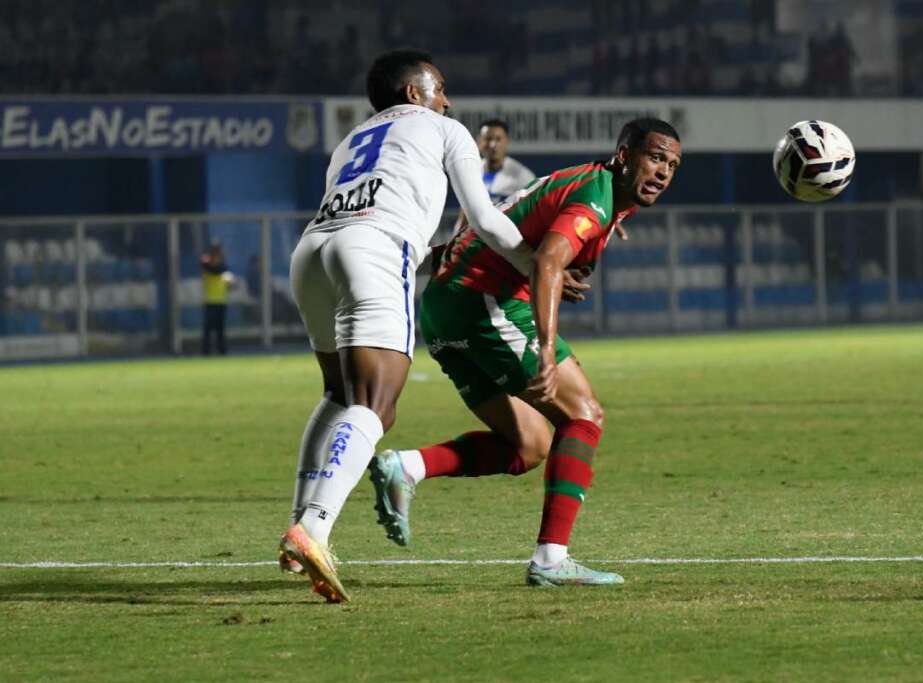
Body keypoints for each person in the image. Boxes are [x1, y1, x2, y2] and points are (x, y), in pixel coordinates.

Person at [368, 118, 681, 586]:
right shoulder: (594, 194)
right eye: (655, 157)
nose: (663, 172)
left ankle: (407, 467)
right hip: (482, 304)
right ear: (624, 155)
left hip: (444, 307)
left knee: (530, 444)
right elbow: (549, 261)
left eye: (673, 165)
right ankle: (552, 560)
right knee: (584, 414)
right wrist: (548, 351)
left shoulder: (601, 192)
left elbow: (516, 233)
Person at [278, 49, 531, 603]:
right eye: (440, 87)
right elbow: (485, 218)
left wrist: (425, 252)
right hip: (372, 251)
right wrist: (536, 265)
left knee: (338, 392)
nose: (448, 99)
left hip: (312, 252)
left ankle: (302, 522)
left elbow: (366, 210)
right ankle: (313, 529)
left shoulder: (352, 139)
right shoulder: (444, 128)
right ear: (415, 93)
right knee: (375, 404)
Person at [477, 119, 535, 203]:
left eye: (498, 139)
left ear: (507, 141)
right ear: (479, 142)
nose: (493, 145)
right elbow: (465, 209)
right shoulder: (472, 171)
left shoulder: (524, 177)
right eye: (488, 139)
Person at [199, 240, 231, 355]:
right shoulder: (207, 265)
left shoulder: (223, 266)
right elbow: (212, 269)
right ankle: (206, 351)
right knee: (208, 328)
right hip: (210, 301)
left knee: (220, 329)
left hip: (221, 301)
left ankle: (222, 350)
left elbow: (225, 276)